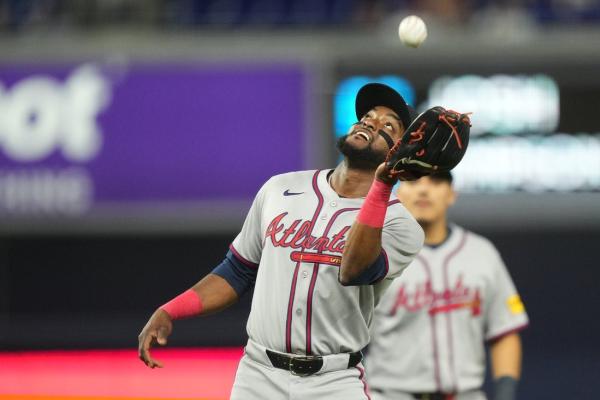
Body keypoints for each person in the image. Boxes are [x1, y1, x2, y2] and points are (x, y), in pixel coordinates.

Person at [137, 83, 425, 399]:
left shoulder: (401, 225)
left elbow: (354, 270)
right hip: (258, 375)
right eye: (368, 116)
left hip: (334, 381)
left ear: (400, 153)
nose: (370, 123)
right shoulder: (280, 188)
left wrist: (382, 185)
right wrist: (171, 310)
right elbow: (237, 271)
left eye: (388, 126)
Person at [366, 172, 529, 400]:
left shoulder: (482, 253)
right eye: (413, 181)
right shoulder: (374, 254)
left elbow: (504, 330)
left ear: (451, 194)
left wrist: (505, 395)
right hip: (390, 395)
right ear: (398, 193)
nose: (423, 190)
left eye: (436, 181)